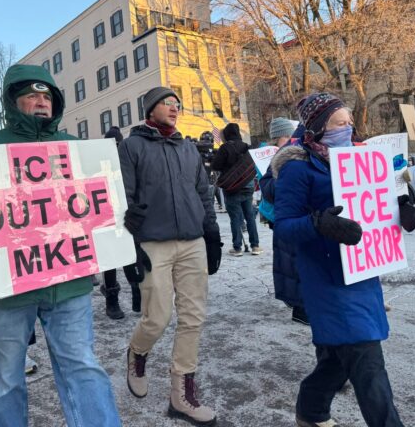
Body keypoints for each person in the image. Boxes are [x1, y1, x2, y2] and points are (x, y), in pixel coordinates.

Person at [0, 64, 120, 427]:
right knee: (4, 379)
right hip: (6, 291)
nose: (41, 101)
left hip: (69, 283)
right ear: (13, 101)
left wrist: (127, 218)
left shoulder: (76, 148)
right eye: (31, 95)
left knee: (83, 367)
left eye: (47, 95)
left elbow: (104, 201)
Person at [274, 93, 415, 427]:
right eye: (340, 123)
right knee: (366, 359)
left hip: (363, 271)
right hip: (326, 278)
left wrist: (402, 209)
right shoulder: (298, 168)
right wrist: (318, 223)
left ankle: (310, 410)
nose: (348, 127)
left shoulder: (363, 159)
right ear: (320, 126)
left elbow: (380, 203)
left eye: (349, 121)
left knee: (342, 358)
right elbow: (284, 227)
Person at [120, 86, 222, 426]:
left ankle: (182, 394)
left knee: (194, 317)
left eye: (178, 103)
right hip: (153, 242)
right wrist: (130, 243)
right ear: (151, 109)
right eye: (168, 103)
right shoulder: (132, 146)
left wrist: (212, 233)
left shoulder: (187, 147)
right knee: (158, 317)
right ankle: (138, 351)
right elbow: (124, 197)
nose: (175, 108)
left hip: (192, 241)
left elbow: (202, 193)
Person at [260, 117, 310, 326]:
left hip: (307, 219)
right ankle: (299, 304)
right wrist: (291, 184)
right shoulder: (289, 152)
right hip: (287, 216)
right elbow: (267, 185)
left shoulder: (332, 148)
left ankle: (299, 301)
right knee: (293, 260)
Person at [98, 125, 142, 319]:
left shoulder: (127, 158)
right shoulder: (99, 161)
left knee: (127, 255)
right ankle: (114, 299)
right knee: (113, 258)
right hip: (108, 215)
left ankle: (132, 294)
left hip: (125, 214)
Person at [212, 122, 260, 256]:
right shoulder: (247, 147)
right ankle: (255, 246)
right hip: (248, 186)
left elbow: (216, 165)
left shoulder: (225, 148)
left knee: (235, 218)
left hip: (232, 187)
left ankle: (237, 247)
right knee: (250, 216)